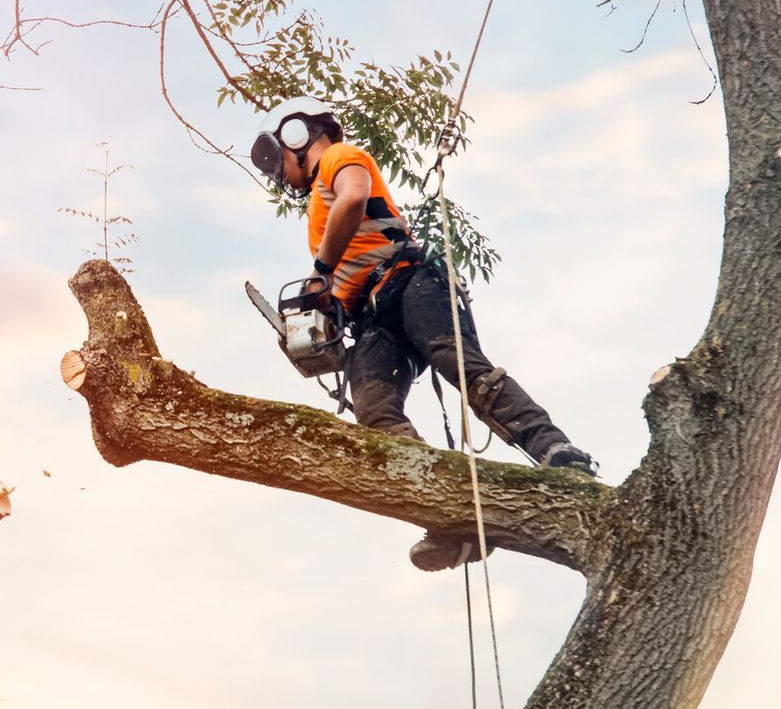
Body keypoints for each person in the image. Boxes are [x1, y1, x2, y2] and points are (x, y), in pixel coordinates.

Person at [251, 97, 595, 565]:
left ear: (297, 136)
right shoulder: (316, 206)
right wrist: (323, 309)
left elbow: (353, 199)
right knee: (374, 413)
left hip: (408, 282)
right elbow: (343, 266)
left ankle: (554, 449)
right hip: (370, 316)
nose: (280, 174)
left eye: (278, 160)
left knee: (459, 365)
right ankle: (452, 515)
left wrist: (320, 273)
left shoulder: (339, 158)